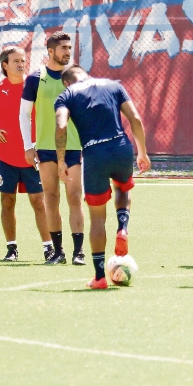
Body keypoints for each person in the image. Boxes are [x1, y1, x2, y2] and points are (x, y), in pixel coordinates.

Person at [54, 66, 150, 289]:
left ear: (66, 82)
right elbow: (135, 118)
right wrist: (142, 152)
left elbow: (61, 126)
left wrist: (61, 160)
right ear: (85, 73)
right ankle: (123, 227)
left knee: (97, 217)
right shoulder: (113, 85)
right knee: (123, 187)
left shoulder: (66, 95)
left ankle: (99, 277)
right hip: (121, 146)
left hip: (94, 153)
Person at [20, 32, 86, 265]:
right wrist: (28, 146)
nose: (68, 51)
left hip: (73, 147)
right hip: (45, 148)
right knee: (51, 197)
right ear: (50, 51)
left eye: (69, 47)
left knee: (74, 197)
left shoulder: (77, 76)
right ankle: (58, 252)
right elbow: (24, 114)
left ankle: (79, 252)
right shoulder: (35, 78)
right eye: (63, 48)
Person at [0, 46, 50, 262]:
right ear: (5, 65)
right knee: (7, 202)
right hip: (5, 157)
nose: (21, 65)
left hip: (34, 157)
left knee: (39, 202)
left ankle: (49, 248)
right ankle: (11, 249)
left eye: (23, 60)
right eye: (16, 61)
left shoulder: (36, 86)